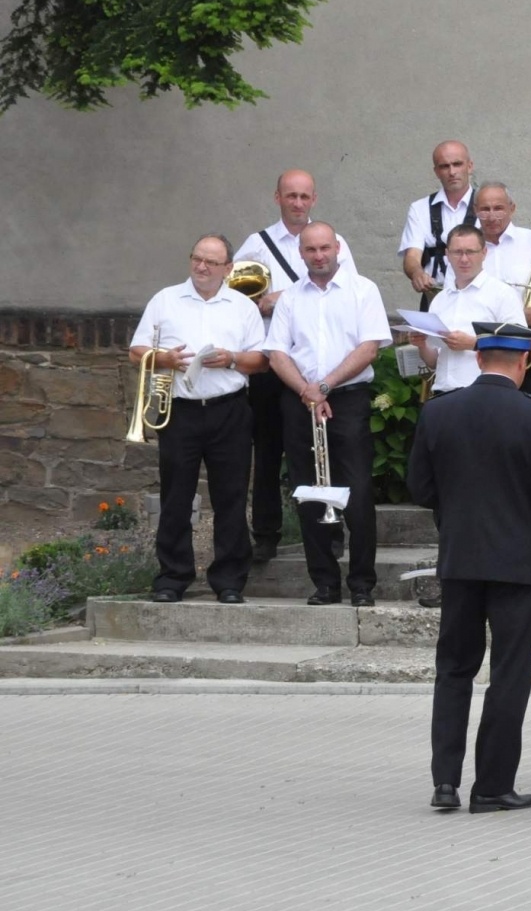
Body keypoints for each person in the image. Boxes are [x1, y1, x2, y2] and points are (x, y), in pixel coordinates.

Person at [409, 321, 531, 814]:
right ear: (525, 363)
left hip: (459, 557)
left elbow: (420, 487)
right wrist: (526, 522)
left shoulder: (438, 412)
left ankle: (444, 783)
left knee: (454, 669)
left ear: (479, 359)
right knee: (509, 672)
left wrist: (456, 516)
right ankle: (493, 785)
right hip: (518, 561)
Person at [130, 234, 268, 603]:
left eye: (211, 262)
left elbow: (262, 360)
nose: (202, 267)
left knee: (231, 496)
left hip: (229, 410)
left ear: (227, 268)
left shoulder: (243, 306)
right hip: (181, 410)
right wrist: (164, 359)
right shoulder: (165, 299)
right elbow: (136, 350)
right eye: (197, 259)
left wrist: (232, 359)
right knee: (176, 495)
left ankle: (229, 581)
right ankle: (172, 578)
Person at [264, 222, 392, 606]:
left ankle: (362, 585)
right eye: (310, 250)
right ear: (301, 254)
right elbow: (276, 353)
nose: (319, 256)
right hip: (299, 400)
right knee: (308, 491)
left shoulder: (363, 289)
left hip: (347, 399)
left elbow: (369, 348)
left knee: (358, 492)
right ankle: (324, 583)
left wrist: (325, 386)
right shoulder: (290, 299)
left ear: (337, 247)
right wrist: (307, 390)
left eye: (324, 248)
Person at [232, 170, 356, 563]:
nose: (297, 202)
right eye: (291, 195)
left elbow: (346, 291)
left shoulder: (334, 242)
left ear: (314, 199)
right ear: (277, 197)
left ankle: (329, 528)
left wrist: (281, 296)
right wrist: (259, 303)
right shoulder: (257, 244)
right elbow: (235, 298)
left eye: (304, 196)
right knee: (267, 450)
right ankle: (266, 534)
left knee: (323, 450)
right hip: (272, 363)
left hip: (319, 364)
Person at [407, 225, 525, 395]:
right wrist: (422, 345)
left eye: (470, 252)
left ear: (484, 253)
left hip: (484, 392)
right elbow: (434, 362)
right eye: (457, 252)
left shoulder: (502, 293)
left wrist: (474, 343)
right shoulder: (440, 299)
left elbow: (518, 343)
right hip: (443, 390)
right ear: (447, 254)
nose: (464, 259)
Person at [398, 140, 477, 306]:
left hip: (478, 297)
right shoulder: (420, 208)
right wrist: (417, 273)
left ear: (470, 166)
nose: (452, 172)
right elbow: (412, 256)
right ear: (436, 172)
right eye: (444, 166)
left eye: (457, 164)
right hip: (436, 298)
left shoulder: (486, 206)